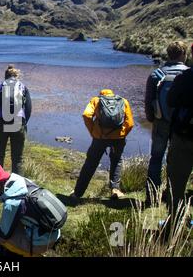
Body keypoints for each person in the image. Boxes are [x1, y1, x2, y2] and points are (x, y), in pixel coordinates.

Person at [0, 164, 61, 257]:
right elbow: (18, 195)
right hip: (52, 232)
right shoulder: (21, 180)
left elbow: (3, 234)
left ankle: (27, 252)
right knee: (11, 222)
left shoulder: (11, 204)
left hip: (41, 243)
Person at [144, 41, 190, 206]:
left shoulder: (157, 74)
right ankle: (172, 195)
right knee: (176, 161)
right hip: (181, 126)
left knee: (156, 158)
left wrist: (152, 120)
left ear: (168, 54)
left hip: (161, 122)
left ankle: (151, 196)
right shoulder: (187, 74)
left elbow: (149, 100)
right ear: (184, 54)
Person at [71, 89, 134, 201]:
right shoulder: (123, 101)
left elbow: (86, 115)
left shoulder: (96, 100)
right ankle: (115, 190)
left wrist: (93, 132)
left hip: (99, 138)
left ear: (101, 94)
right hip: (118, 138)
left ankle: (77, 193)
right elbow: (130, 123)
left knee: (90, 163)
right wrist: (122, 134)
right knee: (116, 161)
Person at [0, 65, 32, 175]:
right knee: (17, 158)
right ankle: (17, 186)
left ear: (5, 76)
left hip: (1, 123)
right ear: (17, 76)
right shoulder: (23, 87)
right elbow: (28, 108)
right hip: (18, 123)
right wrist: (24, 123)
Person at [166, 66, 193, 225]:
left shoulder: (184, 78)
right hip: (184, 135)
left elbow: (171, 100)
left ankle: (174, 224)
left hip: (184, 136)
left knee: (176, 183)